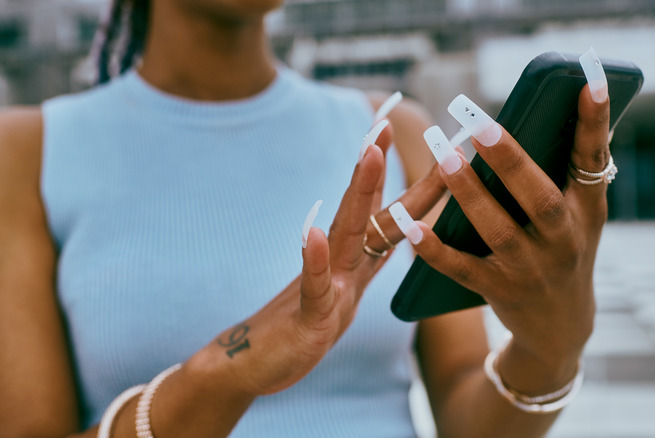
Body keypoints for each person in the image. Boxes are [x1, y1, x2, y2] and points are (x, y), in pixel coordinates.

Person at [0, 0, 614, 437]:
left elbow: (467, 416)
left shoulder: (392, 131)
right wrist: (224, 373)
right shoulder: (29, 153)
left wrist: (551, 347)